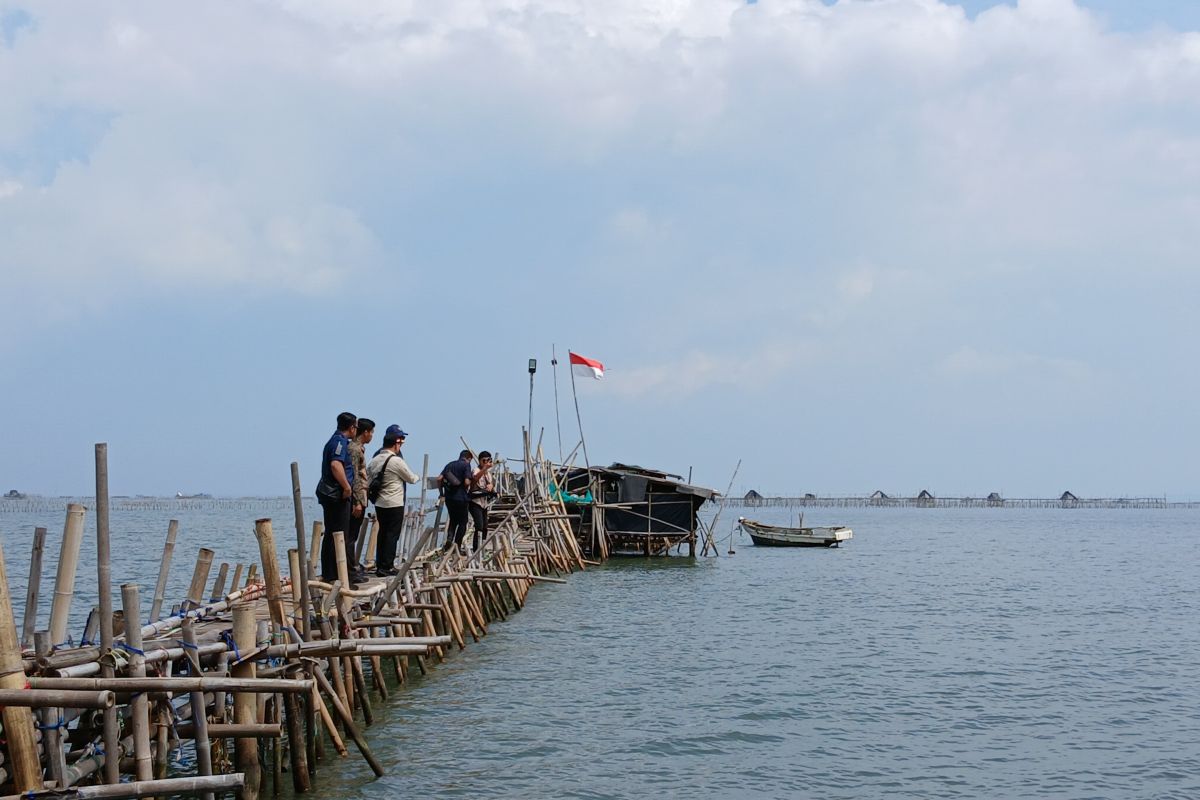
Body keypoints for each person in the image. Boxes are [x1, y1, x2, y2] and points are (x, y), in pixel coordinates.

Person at [366, 425, 420, 576]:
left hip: (379, 502)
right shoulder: (396, 461)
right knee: (392, 535)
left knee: (382, 533)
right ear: (395, 443)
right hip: (394, 502)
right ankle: (387, 566)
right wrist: (418, 476)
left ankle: (380, 564)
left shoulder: (374, 460)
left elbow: (368, 480)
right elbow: (411, 478)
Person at [318, 411, 357, 583]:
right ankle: (334, 574)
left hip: (333, 494)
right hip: (336, 494)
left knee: (333, 533)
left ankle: (331, 573)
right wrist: (346, 486)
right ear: (352, 427)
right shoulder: (339, 442)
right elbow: (335, 465)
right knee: (338, 533)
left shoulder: (336, 441)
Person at [347, 418, 375, 581]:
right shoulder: (355, 449)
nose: (371, 436)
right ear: (365, 432)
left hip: (360, 495)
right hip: (357, 497)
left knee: (352, 536)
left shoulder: (358, 449)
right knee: (350, 536)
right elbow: (355, 477)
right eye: (371, 432)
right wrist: (357, 501)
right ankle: (350, 572)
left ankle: (352, 568)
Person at [440, 449, 474, 555]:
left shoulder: (449, 465)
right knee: (463, 523)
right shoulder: (466, 465)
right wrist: (468, 485)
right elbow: (467, 482)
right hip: (461, 498)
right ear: (468, 458)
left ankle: (449, 539)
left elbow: (439, 479)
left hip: (449, 498)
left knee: (453, 520)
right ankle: (457, 545)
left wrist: (441, 493)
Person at [467, 451, 497, 553]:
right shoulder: (476, 470)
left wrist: (491, 486)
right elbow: (474, 480)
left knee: (485, 527)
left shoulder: (488, 474)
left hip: (484, 502)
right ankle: (476, 549)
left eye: (488, 460)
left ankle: (481, 546)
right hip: (475, 501)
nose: (487, 462)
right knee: (479, 525)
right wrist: (484, 468)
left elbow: (491, 483)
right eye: (484, 460)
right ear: (480, 461)